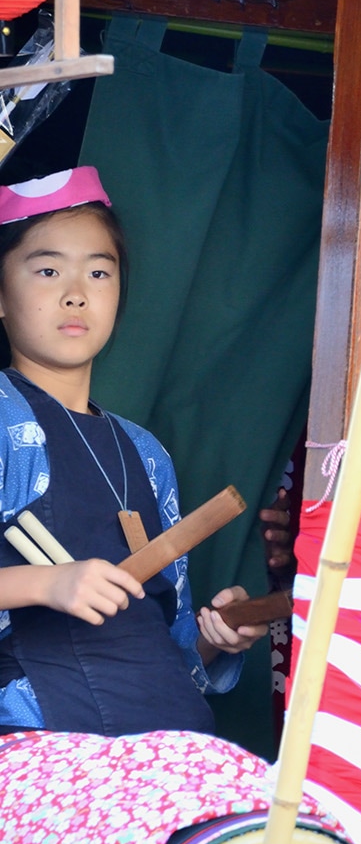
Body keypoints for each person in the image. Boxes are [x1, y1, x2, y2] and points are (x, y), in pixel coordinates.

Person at [0, 167, 266, 735]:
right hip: (44, 739)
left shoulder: (145, 452)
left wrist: (218, 636)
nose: (77, 293)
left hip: (171, 732)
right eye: (48, 270)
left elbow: (170, 649)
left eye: (99, 271)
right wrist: (44, 583)